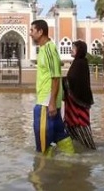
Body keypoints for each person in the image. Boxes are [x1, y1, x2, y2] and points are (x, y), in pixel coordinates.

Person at [30, 19, 75, 156]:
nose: (30, 34)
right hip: (48, 101)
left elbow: (56, 77)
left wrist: (51, 103)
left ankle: (42, 170)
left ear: (40, 31)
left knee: (42, 138)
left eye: (32, 30)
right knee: (58, 133)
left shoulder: (49, 49)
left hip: (46, 102)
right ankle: (71, 158)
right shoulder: (43, 49)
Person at [64, 40, 96, 149]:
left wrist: (61, 81)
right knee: (71, 128)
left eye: (74, 48)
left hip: (78, 105)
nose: (71, 50)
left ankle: (89, 149)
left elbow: (73, 80)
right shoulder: (78, 62)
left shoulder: (80, 63)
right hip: (74, 105)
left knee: (81, 127)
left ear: (79, 50)